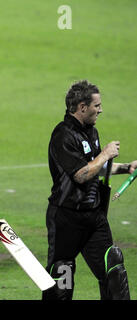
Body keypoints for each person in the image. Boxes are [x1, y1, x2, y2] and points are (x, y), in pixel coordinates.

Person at [43, 80, 136, 300]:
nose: (101, 110)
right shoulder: (63, 135)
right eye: (97, 105)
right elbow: (81, 174)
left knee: (114, 270)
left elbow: (95, 167)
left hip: (93, 216)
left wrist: (125, 168)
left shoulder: (90, 131)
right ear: (82, 107)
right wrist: (105, 154)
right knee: (62, 279)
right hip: (66, 218)